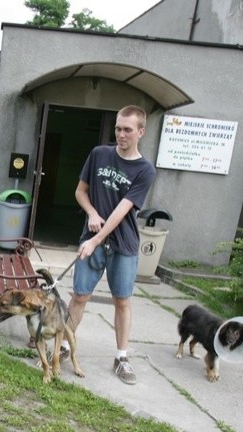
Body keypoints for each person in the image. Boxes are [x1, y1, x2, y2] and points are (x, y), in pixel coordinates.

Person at [67, 105, 156, 385]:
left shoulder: (144, 170)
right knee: (80, 295)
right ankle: (64, 345)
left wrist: (95, 240)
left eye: (128, 129)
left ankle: (121, 358)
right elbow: (81, 191)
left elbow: (122, 210)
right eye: (118, 128)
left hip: (123, 244)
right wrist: (92, 213)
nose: (121, 134)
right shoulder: (99, 154)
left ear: (140, 132)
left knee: (122, 301)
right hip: (92, 239)